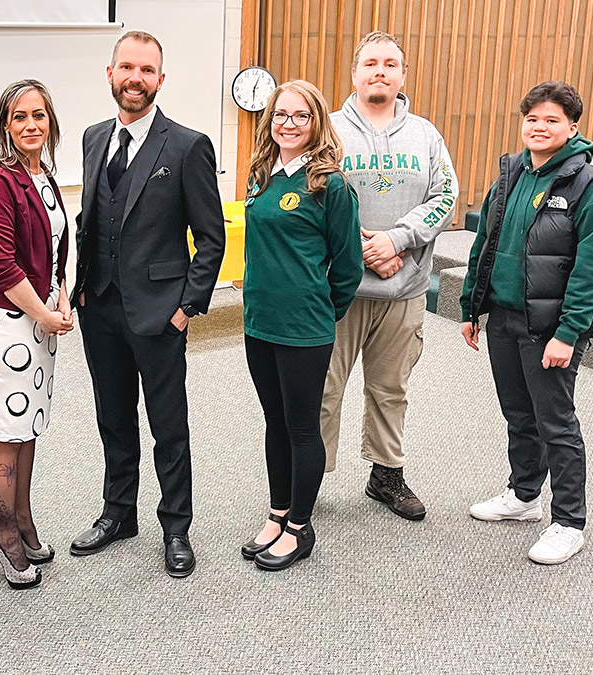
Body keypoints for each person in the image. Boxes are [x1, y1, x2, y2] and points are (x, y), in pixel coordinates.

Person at [68, 31, 225, 578]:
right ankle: (119, 513)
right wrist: (81, 286)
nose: (135, 79)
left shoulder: (187, 145)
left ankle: (176, 527)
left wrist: (188, 308)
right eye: (126, 68)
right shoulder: (92, 138)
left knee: (168, 425)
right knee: (113, 417)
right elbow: (91, 218)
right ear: (110, 73)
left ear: (161, 78)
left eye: (147, 70)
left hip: (161, 311)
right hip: (101, 308)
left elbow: (211, 237)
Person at [460, 81, 593, 565]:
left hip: (551, 326)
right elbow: (484, 245)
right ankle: (524, 496)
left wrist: (568, 333)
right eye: (532, 118)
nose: (539, 127)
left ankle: (569, 522)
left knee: (556, 423)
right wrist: (471, 307)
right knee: (518, 414)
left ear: (573, 127)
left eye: (552, 120)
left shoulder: (589, 187)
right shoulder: (509, 175)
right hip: (505, 317)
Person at [320, 31, 459, 520]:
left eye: (390, 63)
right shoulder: (328, 130)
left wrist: (396, 239)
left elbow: (446, 196)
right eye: (370, 63)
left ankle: (386, 474)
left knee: (390, 389)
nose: (380, 70)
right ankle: (309, 475)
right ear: (355, 73)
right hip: (339, 290)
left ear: (403, 75)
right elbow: (318, 196)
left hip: (406, 288)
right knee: (324, 389)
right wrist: (366, 248)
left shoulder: (426, 134)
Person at [239, 80, 363, 571]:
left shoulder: (329, 184)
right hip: (259, 323)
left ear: (317, 124)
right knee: (275, 424)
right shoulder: (262, 174)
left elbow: (348, 265)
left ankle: (299, 528)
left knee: (301, 427)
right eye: (281, 115)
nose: (288, 124)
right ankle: (277, 514)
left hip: (304, 329)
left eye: (300, 115)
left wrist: (319, 311)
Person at [0, 80, 72, 590]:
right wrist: (44, 314)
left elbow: (53, 252)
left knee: (26, 429)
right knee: (7, 436)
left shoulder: (45, 176)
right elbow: (4, 265)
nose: (31, 125)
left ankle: (25, 522)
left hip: (38, 324)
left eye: (39, 115)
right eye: (19, 117)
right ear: (5, 126)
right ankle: (4, 535)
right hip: (7, 326)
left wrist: (61, 299)